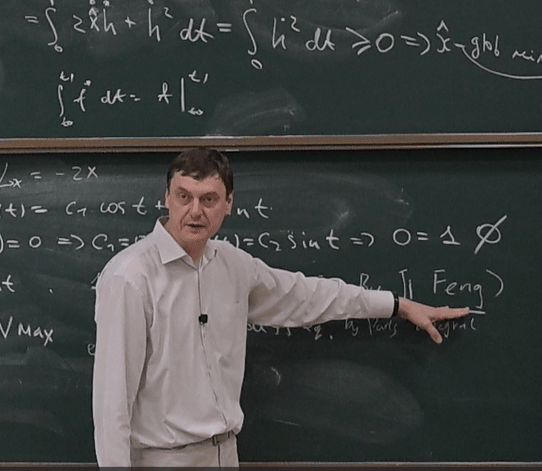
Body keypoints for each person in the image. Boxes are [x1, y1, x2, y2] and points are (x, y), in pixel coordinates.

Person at [92, 148, 470, 468]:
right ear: (166, 197)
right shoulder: (131, 277)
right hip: (162, 460)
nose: (195, 211)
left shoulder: (232, 266)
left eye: (208, 199)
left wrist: (397, 305)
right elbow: (112, 404)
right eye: (183, 196)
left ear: (228, 203)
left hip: (224, 454)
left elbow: (307, 296)